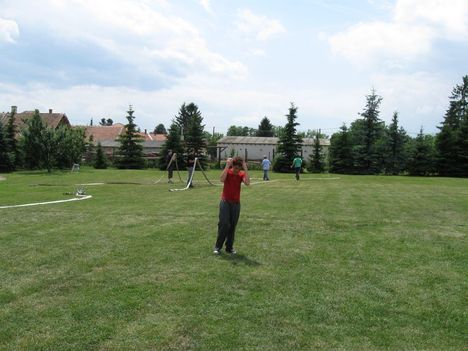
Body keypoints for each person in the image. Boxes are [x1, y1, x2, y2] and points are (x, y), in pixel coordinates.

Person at [214, 156, 250, 255]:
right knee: (224, 224)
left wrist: (245, 167)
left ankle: (229, 248)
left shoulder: (241, 174)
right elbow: (221, 179)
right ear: (232, 166)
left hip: (236, 204)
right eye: (235, 168)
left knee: (232, 226)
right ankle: (218, 246)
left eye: (239, 168)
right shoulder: (228, 172)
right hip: (225, 202)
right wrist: (227, 166)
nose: (236, 170)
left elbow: (247, 182)